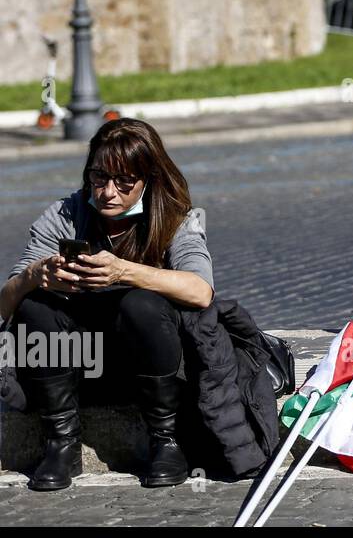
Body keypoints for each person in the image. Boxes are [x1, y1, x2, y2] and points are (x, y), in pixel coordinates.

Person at [1, 118, 278, 490]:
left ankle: (166, 441)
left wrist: (124, 272)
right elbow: (5, 304)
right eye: (99, 179)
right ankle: (61, 444)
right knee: (35, 305)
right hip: (83, 364)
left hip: (152, 365)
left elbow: (201, 291)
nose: (108, 193)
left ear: (148, 181)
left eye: (124, 182)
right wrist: (33, 275)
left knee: (142, 303)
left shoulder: (177, 218)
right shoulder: (66, 215)